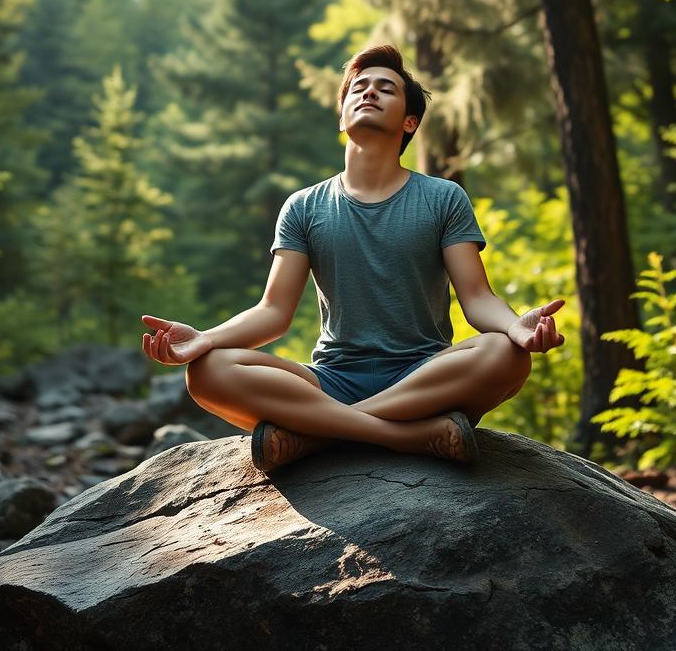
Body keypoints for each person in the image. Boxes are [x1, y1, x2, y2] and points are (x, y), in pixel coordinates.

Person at [141, 44, 564, 474]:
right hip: (329, 381)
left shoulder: (443, 198)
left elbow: (477, 298)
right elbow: (273, 312)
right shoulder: (304, 206)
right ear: (342, 118)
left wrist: (516, 326)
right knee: (206, 372)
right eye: (358, 88)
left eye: (386, 89)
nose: (369, 93)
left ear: (409, 121)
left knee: (507, 354)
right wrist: (205, 338)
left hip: (426, 377)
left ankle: (317, 434)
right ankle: (405, 435)